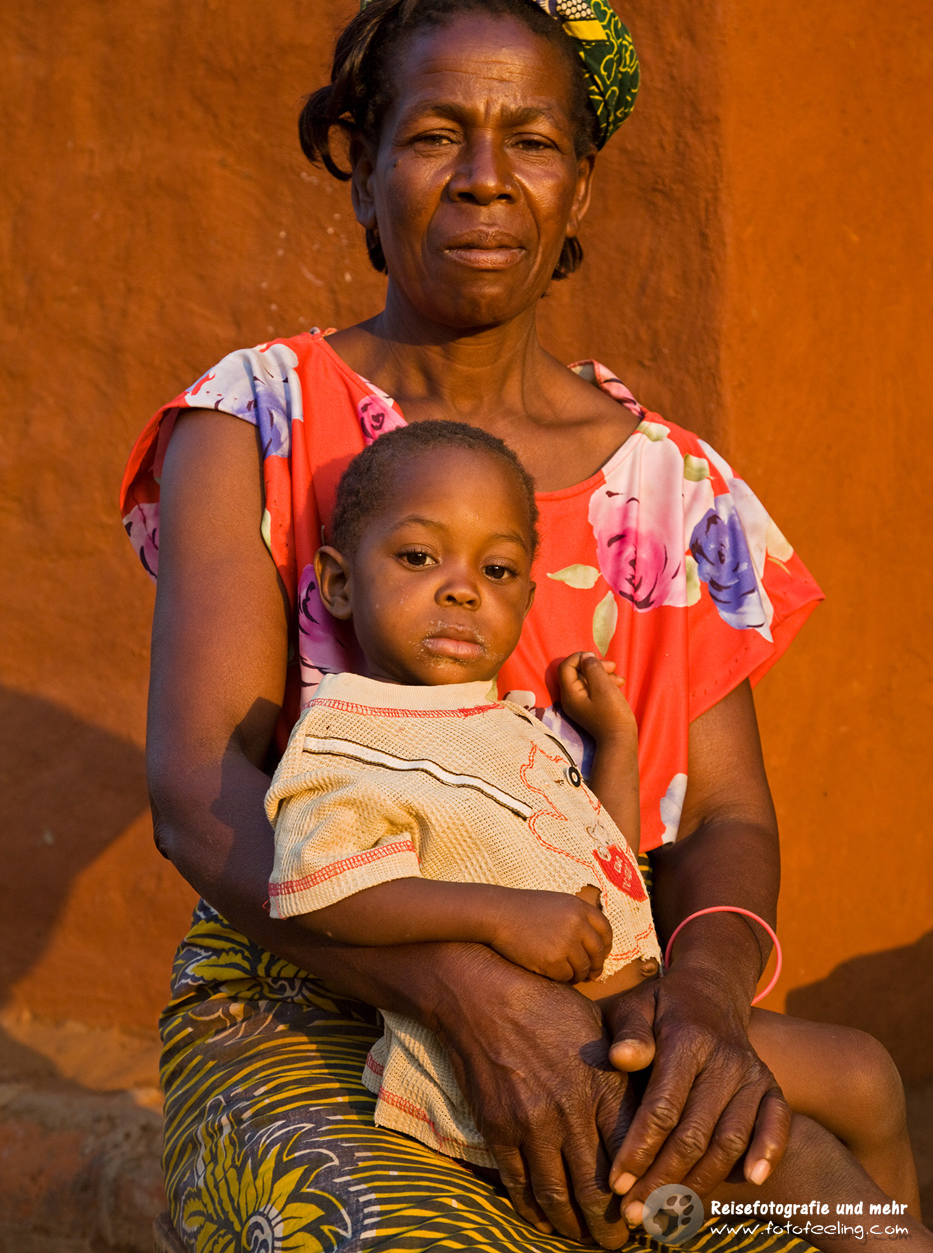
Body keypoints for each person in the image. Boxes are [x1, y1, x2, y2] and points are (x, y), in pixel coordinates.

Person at [119, 0, 917, 1251]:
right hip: (315, 1003)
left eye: (532, 141)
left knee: (842, 1213)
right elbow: (200, 797)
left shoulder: (674, 489)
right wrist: (466, 994)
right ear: (361, 170)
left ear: (581, 190)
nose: (485, 179)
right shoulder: (252, 423)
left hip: (617, 1022)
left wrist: (706, 1012)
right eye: (434, 134)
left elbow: (723, 819)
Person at [261, 420, 922, 1239]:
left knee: (865, 1074)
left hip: (638, 1008)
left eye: (496, 570)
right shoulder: (350, 739)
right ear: (337, 582)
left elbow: (593, 846)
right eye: (417, 558)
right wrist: (495, 917)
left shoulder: (506, 723)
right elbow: (321, 889)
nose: (461, 589)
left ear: (527, 599)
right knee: (803, 1154)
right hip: (562, 1048)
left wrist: (614, 744)